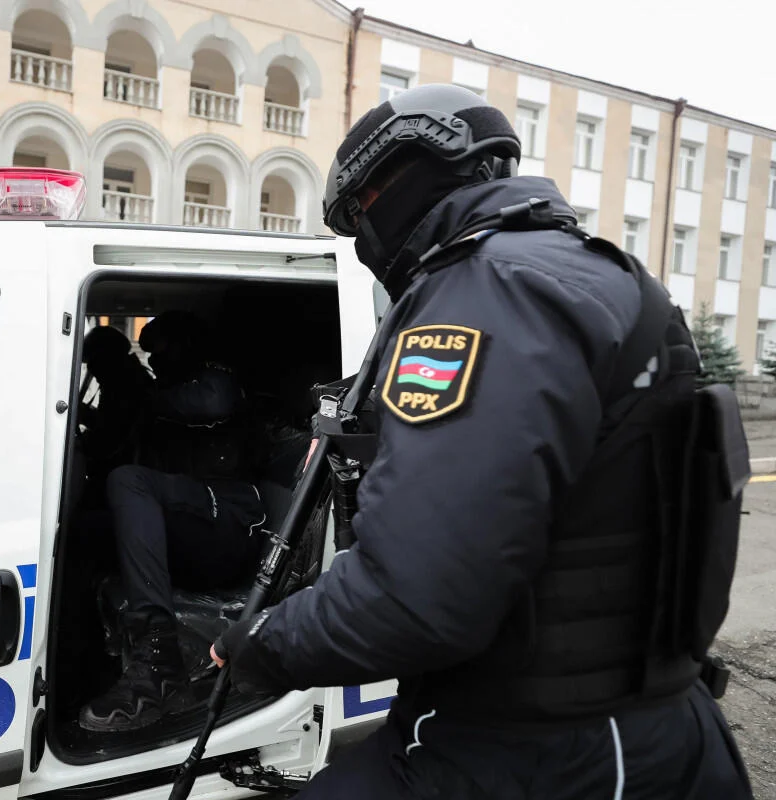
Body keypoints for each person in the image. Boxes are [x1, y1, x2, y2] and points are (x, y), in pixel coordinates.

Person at [209, 85, 753, 797]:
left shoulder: (488, 292)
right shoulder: (584, 271)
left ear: (402, 180)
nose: (362, 239)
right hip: (631, 723)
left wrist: (255, 643)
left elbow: (416, 597)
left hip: (545, 748)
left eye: (360, 213)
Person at [78, 311, 266, 733]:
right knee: (82, 529)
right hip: (188, 524)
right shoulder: (158, 391)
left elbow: (212, 402)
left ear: (184, 344)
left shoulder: (215, 378)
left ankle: (160, 655)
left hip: (228, 524)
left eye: (159, 348)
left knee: (126, 481)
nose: (154, 360)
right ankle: (77, 662)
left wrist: (139, 397)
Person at [78, 325, 154, 481]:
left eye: (94, 363)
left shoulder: (125, 384)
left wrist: (84, 420)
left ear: (107, 358)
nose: (93, 370)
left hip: (118, 470)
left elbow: (109, 437)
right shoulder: (128, 377)